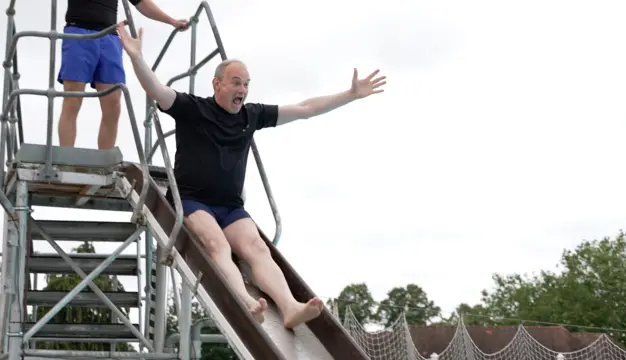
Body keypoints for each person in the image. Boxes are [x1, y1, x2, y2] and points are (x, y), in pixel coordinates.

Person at [116, 23, 386, 328]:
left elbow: (305, 108)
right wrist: (137, 58)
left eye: (246, 84)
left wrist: (351, 94)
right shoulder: (194, 109)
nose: (242, 90)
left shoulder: (251, 115)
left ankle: (289, 308)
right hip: (194, 202)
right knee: (217, 244)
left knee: (256, 247)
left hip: (231, 206)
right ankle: (247, 302)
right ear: (217, 84)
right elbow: (157, 90)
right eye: (235, 83)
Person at [57, 0, 188, 149]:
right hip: (78, 32)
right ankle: (65, 159)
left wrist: (172, 21)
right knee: (72, 100)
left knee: (113, 106)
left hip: (110, 37)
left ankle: (104, 162)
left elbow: (142, 3)